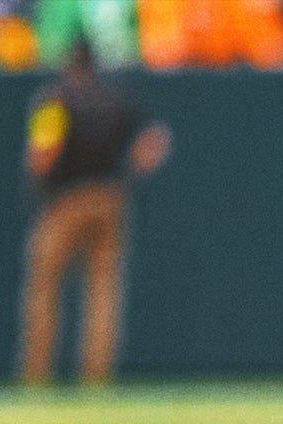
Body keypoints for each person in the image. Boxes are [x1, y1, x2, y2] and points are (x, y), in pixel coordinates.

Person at [20, 39, 170, 386]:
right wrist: (130, 175)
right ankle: (96, 378)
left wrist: (37, 183)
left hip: (66, 199)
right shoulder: (116, 98)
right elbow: (154, 140)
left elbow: (43, 153)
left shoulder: (57, 98)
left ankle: (36, 375)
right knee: (103, 292)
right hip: (109, 197)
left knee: (44, 288)